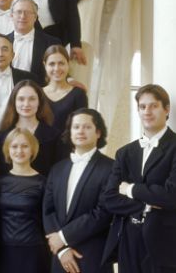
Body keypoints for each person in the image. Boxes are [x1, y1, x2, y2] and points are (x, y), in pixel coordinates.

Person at [101, 85, 176, 273]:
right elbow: (109, 198)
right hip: (128, 241)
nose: (147, 111)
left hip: (166, 244)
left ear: (166, 109)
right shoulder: (124, 153)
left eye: (154, 106)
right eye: (142, 106)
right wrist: (147, 205)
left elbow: (173, 197)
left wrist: (130, 189)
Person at [43, 108, 114, 273]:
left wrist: (63, 237)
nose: (80, 131)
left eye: (87, 127)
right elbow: (48, 211)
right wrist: (62, 249)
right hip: (60, 256)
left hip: (92, 256)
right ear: (70, 132)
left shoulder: (112, 168)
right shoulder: (57, 169)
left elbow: (103, 212)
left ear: (98, 132)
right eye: (76, 127)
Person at [0, 128, 49, 273]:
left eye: (25, 146)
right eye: (14, 146)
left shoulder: (43, 182)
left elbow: (48, 220)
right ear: (8, 150)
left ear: (32, 150)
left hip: (33, 250)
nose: (19, 151)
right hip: (3, 251)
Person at [0, 79, 63, 176]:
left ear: (39, 102)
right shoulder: (1, 136)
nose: (26, 104)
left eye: (32, 99)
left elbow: (58, 172)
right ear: (14, 102)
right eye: (21, 99)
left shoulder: (54, 136)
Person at [6, 0, 62, 84]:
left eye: (27, 12)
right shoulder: (1, 42)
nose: (22, 16)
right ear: (12, 16)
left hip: (40, 90)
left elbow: (58, 70)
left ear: (35, 17)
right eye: (19, 12)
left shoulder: (51, 43)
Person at [42, 44, 88, 134]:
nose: (56, 68)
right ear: (45, 65)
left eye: (61, 63)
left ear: (68, 64)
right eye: (52, 64)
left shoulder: (78, 94)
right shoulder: (37, 93)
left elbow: (82, 128)